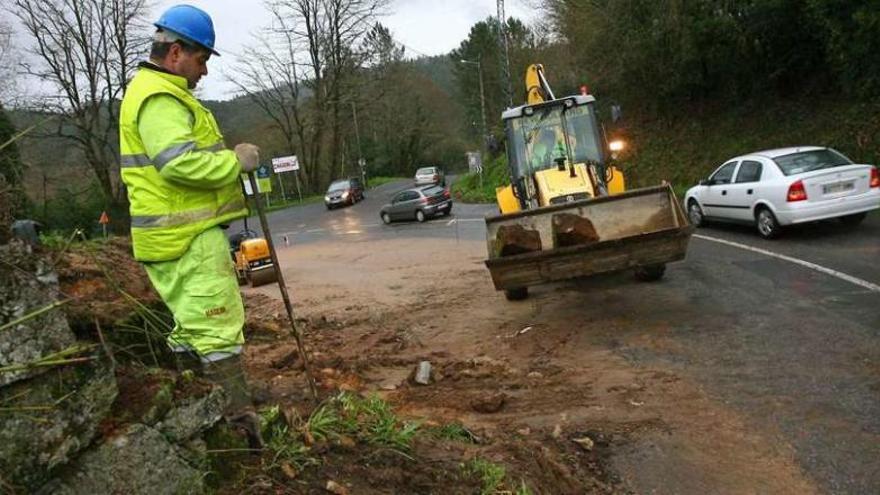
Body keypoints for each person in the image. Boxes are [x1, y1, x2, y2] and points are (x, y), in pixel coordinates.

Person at [118, 4, 262, 448]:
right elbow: (178, 163)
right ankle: (238, 431)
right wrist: (233, 163)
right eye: (201, 60)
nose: (202, 72)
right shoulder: (160, 98)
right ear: (176, 51)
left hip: (170, 237)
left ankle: (199, 422)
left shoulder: (153, 92)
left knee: (188, 329)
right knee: (217, 328)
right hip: (188, 237)